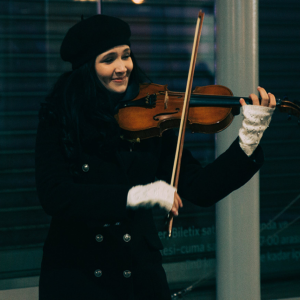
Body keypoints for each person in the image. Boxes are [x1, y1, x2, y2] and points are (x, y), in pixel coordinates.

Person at [35, 14, 276, 300]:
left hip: (140, 277)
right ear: (87, 67)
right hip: (78, 277)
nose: (122, 67)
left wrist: (248, 140)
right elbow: (55, 195)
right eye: (108, 59)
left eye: (126, 55)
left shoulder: (152, 113)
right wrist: (134, 195)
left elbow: (200, 187)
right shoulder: (59, 117)